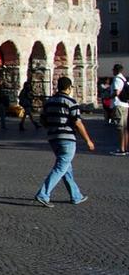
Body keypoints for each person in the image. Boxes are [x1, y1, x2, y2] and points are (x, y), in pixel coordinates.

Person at [35, 76, 95, 207]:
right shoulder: (71, 102)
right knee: (61, 167)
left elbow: (42, 119)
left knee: (66, 168)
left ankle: (76, 196)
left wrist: (52, 126)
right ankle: (43, 194)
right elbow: (77, 123)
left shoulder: (49, 102)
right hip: (67, 139)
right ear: (69, 88)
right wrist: (88, 140)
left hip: (53, 138)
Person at [111, 64, 128, 156]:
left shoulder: (117, 79)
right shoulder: (124, 79)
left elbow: (116, 92)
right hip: (125, 104)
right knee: (125, 128)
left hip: (119, 105)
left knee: (120, 128)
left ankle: (121, 149)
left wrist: (109, 96)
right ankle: (125, 148)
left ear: (115, 70)